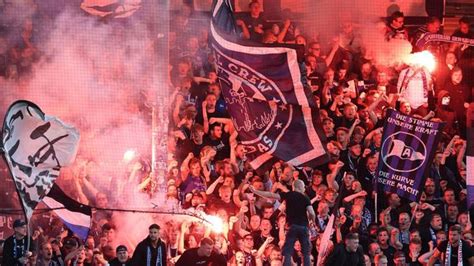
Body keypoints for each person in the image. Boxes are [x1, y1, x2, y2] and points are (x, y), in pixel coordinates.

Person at [250, 179, 315, 266]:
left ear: (293, 187)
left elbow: (270, 195)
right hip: (303, 227)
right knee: (306, 252)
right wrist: (311, 221)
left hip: (292, 227)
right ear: (301, 187)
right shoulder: (305, 198)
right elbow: (311, 213)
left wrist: (255, 191)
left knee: (287, 252)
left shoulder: (288, 195)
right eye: (304, 187)